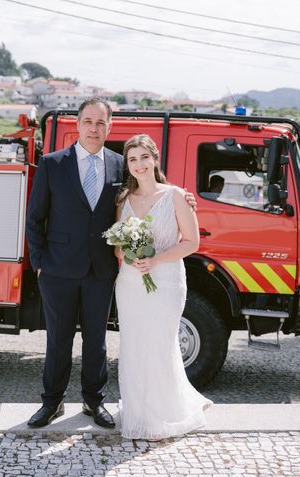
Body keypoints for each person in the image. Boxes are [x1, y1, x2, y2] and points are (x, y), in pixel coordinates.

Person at [25, 98, 196, 429]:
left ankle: (94, 401)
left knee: (96, 340)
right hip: (57, 270)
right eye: (88, 121)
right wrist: (40, 263)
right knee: (58, 339)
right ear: (77, 124)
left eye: (101, 123)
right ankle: (52, 402)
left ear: (109, 127)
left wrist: (185, 197)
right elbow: (35, 218)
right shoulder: (52, 163)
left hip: (102, 270)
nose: (94, 128)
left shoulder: (121, 164)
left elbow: (151, 191)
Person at [115, 134, 212, 440]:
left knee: (159, 343)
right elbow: (118, 247)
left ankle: (162, 414)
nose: (140, 164)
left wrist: (155, 258)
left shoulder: (176, 197)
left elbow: (192, 242)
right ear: (127, 165)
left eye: (145, 157)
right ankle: (137, 411)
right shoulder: (123, 201)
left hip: (167, 281)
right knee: (133, 345)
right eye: (133, 159)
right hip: (131, 283)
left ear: (155, 159)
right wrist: (129, 255)